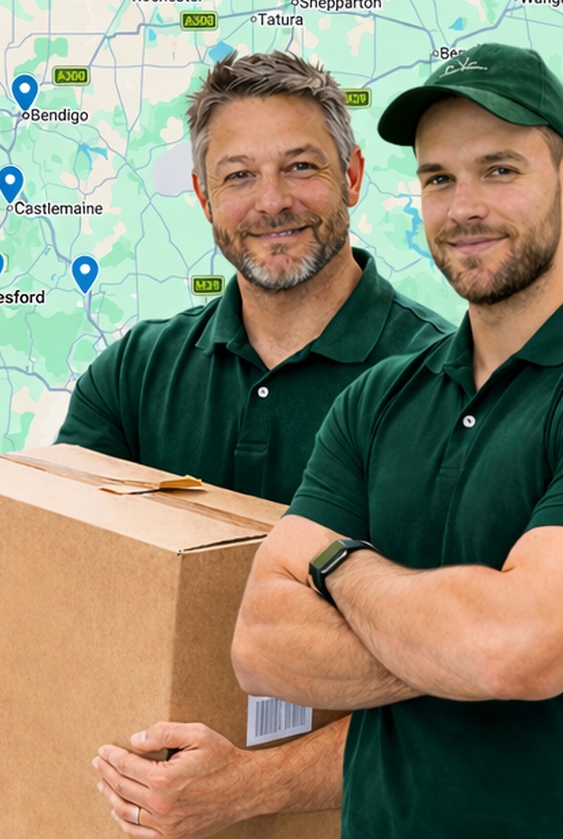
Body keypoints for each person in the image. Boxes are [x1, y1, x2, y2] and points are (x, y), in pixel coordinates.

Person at [0, 50, 450, 837]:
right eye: (236, 176)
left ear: (353, 177)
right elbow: (48, 565)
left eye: (300, 167)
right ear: (200, 196)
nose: (271, 202)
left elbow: (470, 689)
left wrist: (251, 786)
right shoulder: (135, 370)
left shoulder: (446, 389)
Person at [232, 42, 563, 838]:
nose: (463, 208)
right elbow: (260, 647)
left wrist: (340, 564)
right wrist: (451, 642)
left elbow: (515, 649)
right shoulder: (377, 399)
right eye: (437, 178)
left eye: (500, 170)